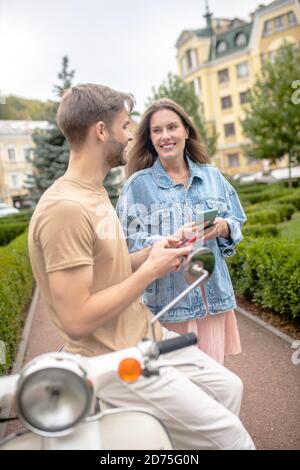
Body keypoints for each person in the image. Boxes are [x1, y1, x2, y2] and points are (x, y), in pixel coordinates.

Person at [28, 84, 254, 450]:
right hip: (115, 355)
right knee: (233, 439)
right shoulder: (65, 208)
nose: (132, 135)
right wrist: (152, 270)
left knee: (230, 387)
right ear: (101, 131)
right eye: (126, 126)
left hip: (145, 334)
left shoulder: (94, 192)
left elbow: (113, 267)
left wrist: (157, 250)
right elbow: (76, 320)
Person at [117, 98, 246, 364]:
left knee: (215, 387)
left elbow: (236, 218)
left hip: (214, 301)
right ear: (150, 138)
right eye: (157, 130)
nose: (165, 136)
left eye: (172, 127)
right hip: (168, 308)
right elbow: (123, 246)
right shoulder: (137, 186)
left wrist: (222, 226)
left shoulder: (212, 176)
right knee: (176, 392)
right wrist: (168, 240)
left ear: (186, 131)